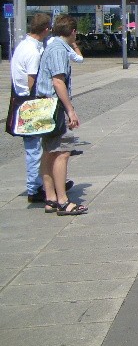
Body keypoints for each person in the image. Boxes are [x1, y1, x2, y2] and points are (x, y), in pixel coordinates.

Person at [35, 15, 87, 215]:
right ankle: (63, 201)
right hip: (54, 107)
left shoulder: (52, 46)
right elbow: (58, 82)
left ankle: (50, 199)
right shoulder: (58, 50)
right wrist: (70, 110)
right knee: (62, 152)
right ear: (73, 32)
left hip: (45, 105)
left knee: (48, 152)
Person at [10, 13, 51, 202]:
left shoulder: (22, 46)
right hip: (29, 102)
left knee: (34, 148)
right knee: (34, 148)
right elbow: (32, 80)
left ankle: (42, 182)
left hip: (20, 99)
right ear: (45, 30)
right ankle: (34, 189)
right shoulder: (33, 52)